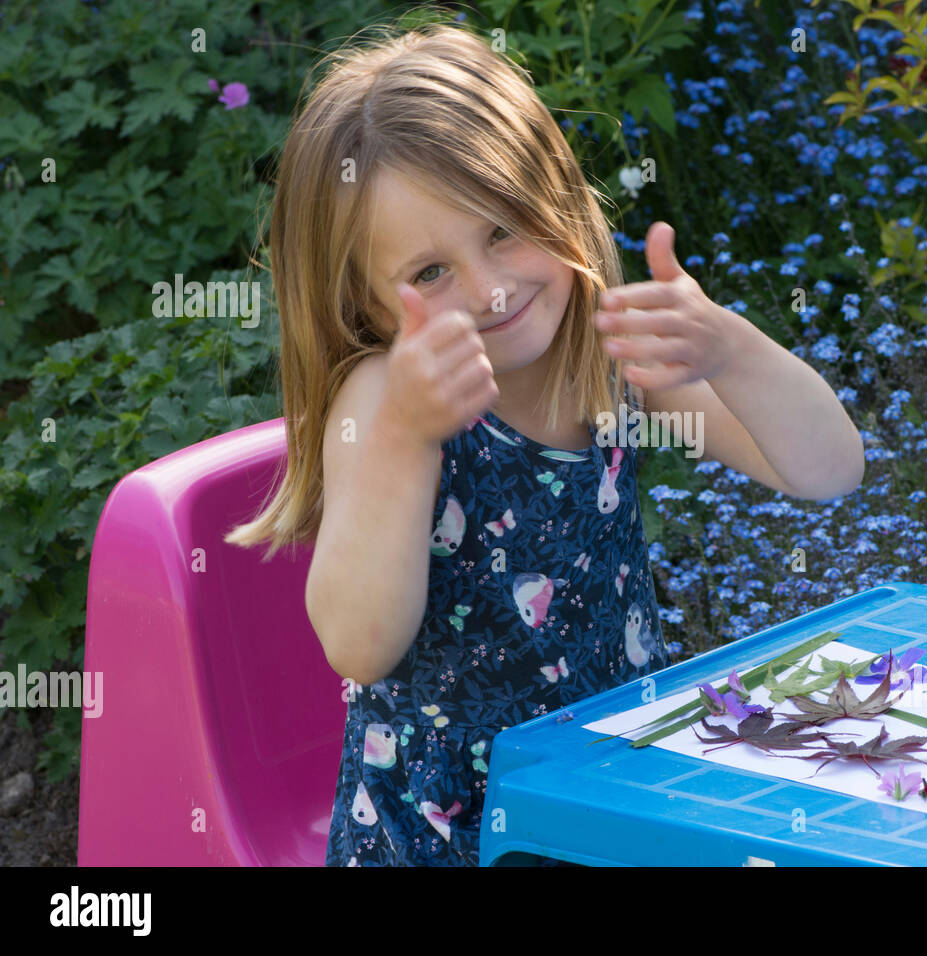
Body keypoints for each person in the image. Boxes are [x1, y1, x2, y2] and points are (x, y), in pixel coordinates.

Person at [224, 19, 864, 866]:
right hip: (446, 837)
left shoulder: (605, 345)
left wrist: (728, 347)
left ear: (553, 193)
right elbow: (358, 641)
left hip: (610, 799)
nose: (491, 290)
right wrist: (409, 440)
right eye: (429, 274)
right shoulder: (383, 399)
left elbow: (827, 470)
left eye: (501, 229)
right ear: (367, 308)